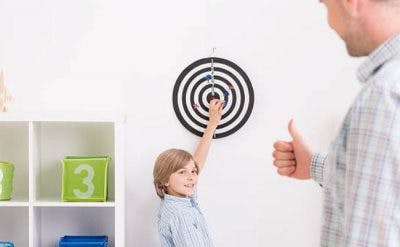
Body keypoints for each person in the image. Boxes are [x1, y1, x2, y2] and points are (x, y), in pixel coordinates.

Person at [272, 0, 400, 246]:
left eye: (325, 5)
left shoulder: (384, 94)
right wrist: (313, 165)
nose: (330, 22)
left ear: (351, 3)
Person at [153, 99, 224, 247]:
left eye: (193, 171)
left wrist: (212, 125)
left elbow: (197, 162)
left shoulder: (177, 200)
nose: (191, 177)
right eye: (182, 172)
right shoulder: (181, 215)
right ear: (165, 180)